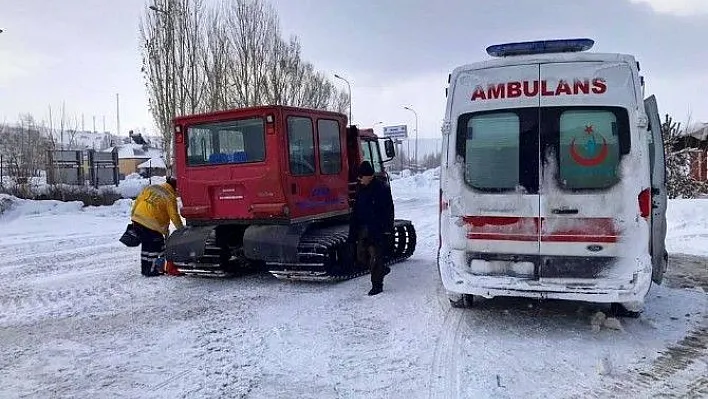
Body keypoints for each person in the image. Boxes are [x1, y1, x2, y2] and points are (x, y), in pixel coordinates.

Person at [348, 161, 395, 295]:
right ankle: (382, 269)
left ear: (369, 176)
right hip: (363, 228)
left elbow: (389, 210)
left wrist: (387, 229)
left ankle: (377, 285)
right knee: (361, 256)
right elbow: (356, 210)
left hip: (377, 229)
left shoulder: (381, 188)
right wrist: (353, 232)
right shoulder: (360, 188)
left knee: (376, 257)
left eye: (361, 176)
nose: (359, 179)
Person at [130, 176, 184, 276]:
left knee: (146, 247)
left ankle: (145, 269)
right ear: (175, 188)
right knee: (156, 247)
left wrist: (133, 217)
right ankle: (152, 270)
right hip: (151, 224)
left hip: (137, 219)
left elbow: (137, 201)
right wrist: (182, 230)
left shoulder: (151, 188)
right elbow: (174, 216)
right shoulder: (169, 196)